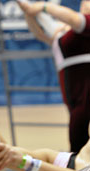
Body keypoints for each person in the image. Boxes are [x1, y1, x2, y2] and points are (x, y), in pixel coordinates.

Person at [17, 0, 90, 152]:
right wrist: (29, 13)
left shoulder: (85, 24)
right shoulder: (63, 31)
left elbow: (74, 19)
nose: (85, 3)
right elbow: (39, 33)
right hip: (74, 98)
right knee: (78, 142)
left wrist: (42, 6)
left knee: (80, 139)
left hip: (86, 95)